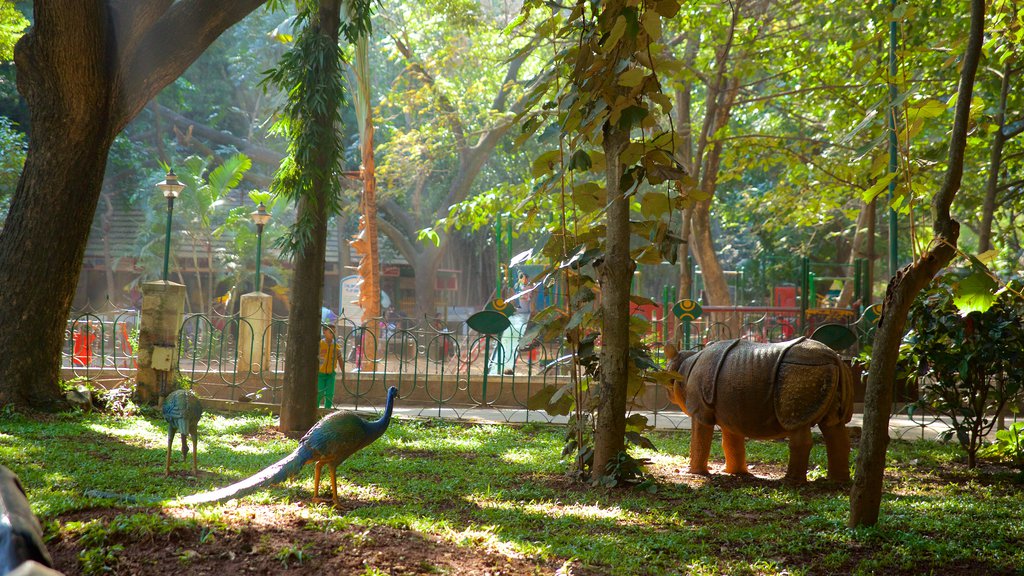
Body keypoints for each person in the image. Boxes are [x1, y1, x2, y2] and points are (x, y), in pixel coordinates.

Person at [317, 325, 343, 409]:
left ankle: (326, 411)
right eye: (330, 332)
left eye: (334, 332)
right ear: (324, 332)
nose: (333, 334)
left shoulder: (336, 347)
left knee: (330, 394)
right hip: (320, 374)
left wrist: (343, 372)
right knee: (319, 393)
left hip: (331, 374)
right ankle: (315, 410)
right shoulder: (320, 344)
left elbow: (340, 360)